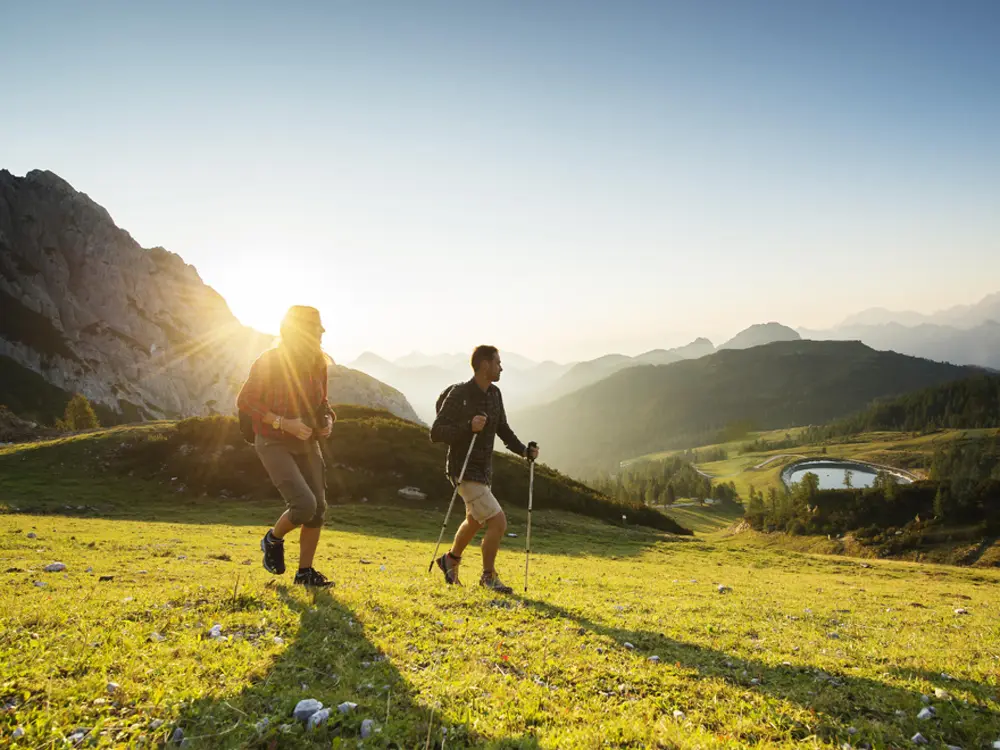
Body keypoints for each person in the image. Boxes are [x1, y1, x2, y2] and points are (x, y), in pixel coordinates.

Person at [236, 305, 336, 588]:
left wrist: (328, 420)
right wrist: (282, 422)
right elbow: (246, 400)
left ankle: (305, 573)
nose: (321, 334)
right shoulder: (269, 361)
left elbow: (323, 403)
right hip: (272, 440)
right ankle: (272, 539)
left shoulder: (318, 364)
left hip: (307, 442)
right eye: (315, 329)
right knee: (304, 505)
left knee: (318, 509)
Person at [430, 345, 539, 593]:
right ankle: (488, 577)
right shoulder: (460, 393)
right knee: (498, 522)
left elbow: (503, 429)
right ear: (484, 364)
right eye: (498, 362)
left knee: (474, 520)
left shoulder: (495, 394)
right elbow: (436, 432)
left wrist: (524, 451)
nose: (501, 368)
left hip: (483, 471)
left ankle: (450, 560)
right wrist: (468, 426)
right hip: (463, 469)